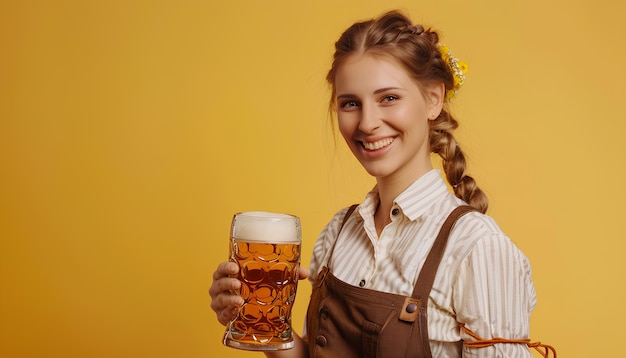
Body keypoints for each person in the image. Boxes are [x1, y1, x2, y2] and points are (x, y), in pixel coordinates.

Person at [210, 10, 546, 358]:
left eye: (388, 98)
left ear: (433, 99)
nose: (368, 122)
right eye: (350, 103)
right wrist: (263, 327)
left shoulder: (478, 248)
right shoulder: (337, 232)